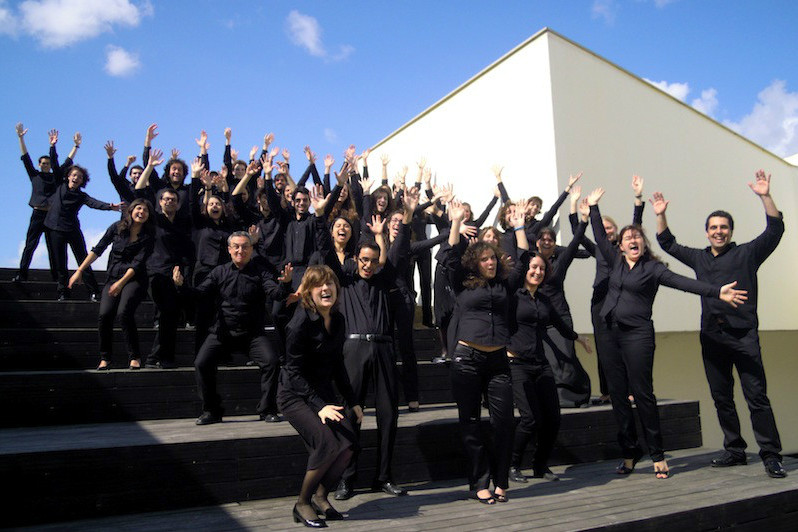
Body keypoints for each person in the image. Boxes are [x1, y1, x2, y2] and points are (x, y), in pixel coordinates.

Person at [586, 188, 747, 479]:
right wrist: (594, 208)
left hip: (638, 336)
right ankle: (630, 453)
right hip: (609, 334)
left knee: (643, 394)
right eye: (627, 239)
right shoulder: (614, 261)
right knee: (619, 397)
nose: (632, 241)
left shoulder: (653, 269)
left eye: (636, 238)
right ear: (620, 246)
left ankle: (657, 454)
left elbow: (686, 283)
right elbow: (599, 236)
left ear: (643, 243)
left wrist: (717, 291)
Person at [652, 170, 786, 478]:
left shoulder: (747, 253)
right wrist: (661, 215)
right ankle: (735, 450)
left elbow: (775, 230)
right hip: (712, 336)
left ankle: (770, 454)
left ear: (730, 230)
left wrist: (765, 196)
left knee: (757, 397)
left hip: (744, 335)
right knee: (722, 396)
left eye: (723, 227)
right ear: (707, 232)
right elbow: (667, 243)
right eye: (713, 227)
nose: (719, 231)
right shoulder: (700, 258)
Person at [320, 188, 419, 501]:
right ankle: (346, 479)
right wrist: (322, 212)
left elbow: (399, 250)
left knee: (389, 415)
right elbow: (325, 247)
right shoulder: (344, 278)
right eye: (363, 260)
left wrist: (400, 223)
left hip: (384, 349)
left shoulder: (384, 278)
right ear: (355, 259)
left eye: (372, 261)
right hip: (353, 350)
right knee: (351, 415)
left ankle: (383, 477)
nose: (367, 264)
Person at [443, 198, 530, 505]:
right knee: (470, 422)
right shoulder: (464, 283)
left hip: (497, 361)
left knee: (504, 421)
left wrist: (519, 227)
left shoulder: (505, 285)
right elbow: (450, 258)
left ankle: (501, 480)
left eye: (493, 259)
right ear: (476, 263)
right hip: (467, 359)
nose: (491, 263)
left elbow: (523, 259)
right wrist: (454, 223)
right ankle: (480, 480)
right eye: (485, 260)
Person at [174, 231, 293, 425]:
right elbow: (199, 294)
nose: (240, 250)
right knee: (201, 363)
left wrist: (286, 285)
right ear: (229, 250)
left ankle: (268, 409)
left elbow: (276, 294)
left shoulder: (261, 272)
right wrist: (181, 286)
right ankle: (211, 410)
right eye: (236, 246)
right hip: (223, 332)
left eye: (245, 246)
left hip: (253, 334)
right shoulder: (219, 272)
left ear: (251, 249)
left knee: (271, 361)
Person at [279, 265, 364, 528]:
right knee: (327, 443)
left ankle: (320, 497)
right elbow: (293, 373)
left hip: (322, 393)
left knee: (348, 443)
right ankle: (302, 503)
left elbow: (337, 364)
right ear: (309, 292)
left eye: (330, 284)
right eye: (319, 285)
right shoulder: (300, 322)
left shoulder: (337, 319)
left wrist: (352, 401)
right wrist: (319, 407)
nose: (326, 289)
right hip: (295, 395)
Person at [508, 251, 592, 484]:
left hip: (541, 364)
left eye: (542, 269)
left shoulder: (544, 300)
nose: (537, 272)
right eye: (533, 267)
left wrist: (579, 338)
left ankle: (539, 465)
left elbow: (559, 323)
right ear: (525, 270)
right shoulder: (513, 296)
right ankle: (513, 465)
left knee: (553, 418)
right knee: (529, 419)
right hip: (517, 363)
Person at [569, 177, 645, 405]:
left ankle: (630, 390)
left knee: (625, 346)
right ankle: (609, 391)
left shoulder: (625, 250)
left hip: (622, 299)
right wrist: (574, 207)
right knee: (604, 348)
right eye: (603, 228)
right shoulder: (598, 249)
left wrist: (638, 198)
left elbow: (636, 226)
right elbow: (578, 234)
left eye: (610, 227)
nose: (607, 231)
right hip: (600, 301)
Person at [69, 199, 155, 370]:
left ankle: (135, 357)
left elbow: (138, 264)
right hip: (113, 276)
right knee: (105, 315)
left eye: (145, 210)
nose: (141, 212)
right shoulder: (117, 227)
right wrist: (80, 270)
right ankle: (105, 358)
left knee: (124, 313)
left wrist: (121, 284)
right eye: (138, 208)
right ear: (131, 210)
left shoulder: (148, 236)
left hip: (134, 279)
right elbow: (98, 249)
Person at [136, 150, 194, 369]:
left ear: (177, 203)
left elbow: (184, 251)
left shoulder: (180, 224)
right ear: (159, 202)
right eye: (166, 199)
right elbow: (139, 189)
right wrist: (149, 166)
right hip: (153, 273)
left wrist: (181, 273)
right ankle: (155, 357)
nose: (169, 201)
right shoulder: (154, 220)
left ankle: (162, 358)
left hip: (173, 274)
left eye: (173, 200)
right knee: (167, 313)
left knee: (171, 315)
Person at [45, 162, 121, 301]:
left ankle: (93, 291)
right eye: (74, 175)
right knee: (60, 262)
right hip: (55, 228)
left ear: (82, 181)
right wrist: (53, 146)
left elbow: (94, 203)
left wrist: (110, 207)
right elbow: (55, 165)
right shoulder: (59, 186)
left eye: (79, 177)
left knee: (83, 259)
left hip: (72, 229)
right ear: (68, 176)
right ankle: (63, 291)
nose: (76, 178)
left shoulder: (81, 196)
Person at [13, 123, 72, 283]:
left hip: (52, 217)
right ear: (39, 165)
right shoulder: (35, 175)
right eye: (43, 163)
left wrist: (75, 146)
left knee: (53, 248)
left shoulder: (56, 178)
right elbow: (25, 157)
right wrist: (21, 138)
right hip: (38, 214)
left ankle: (56, 278)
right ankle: (22, 273)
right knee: (30, 244)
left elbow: (67, 163)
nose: (46, 165)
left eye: (48, 163)